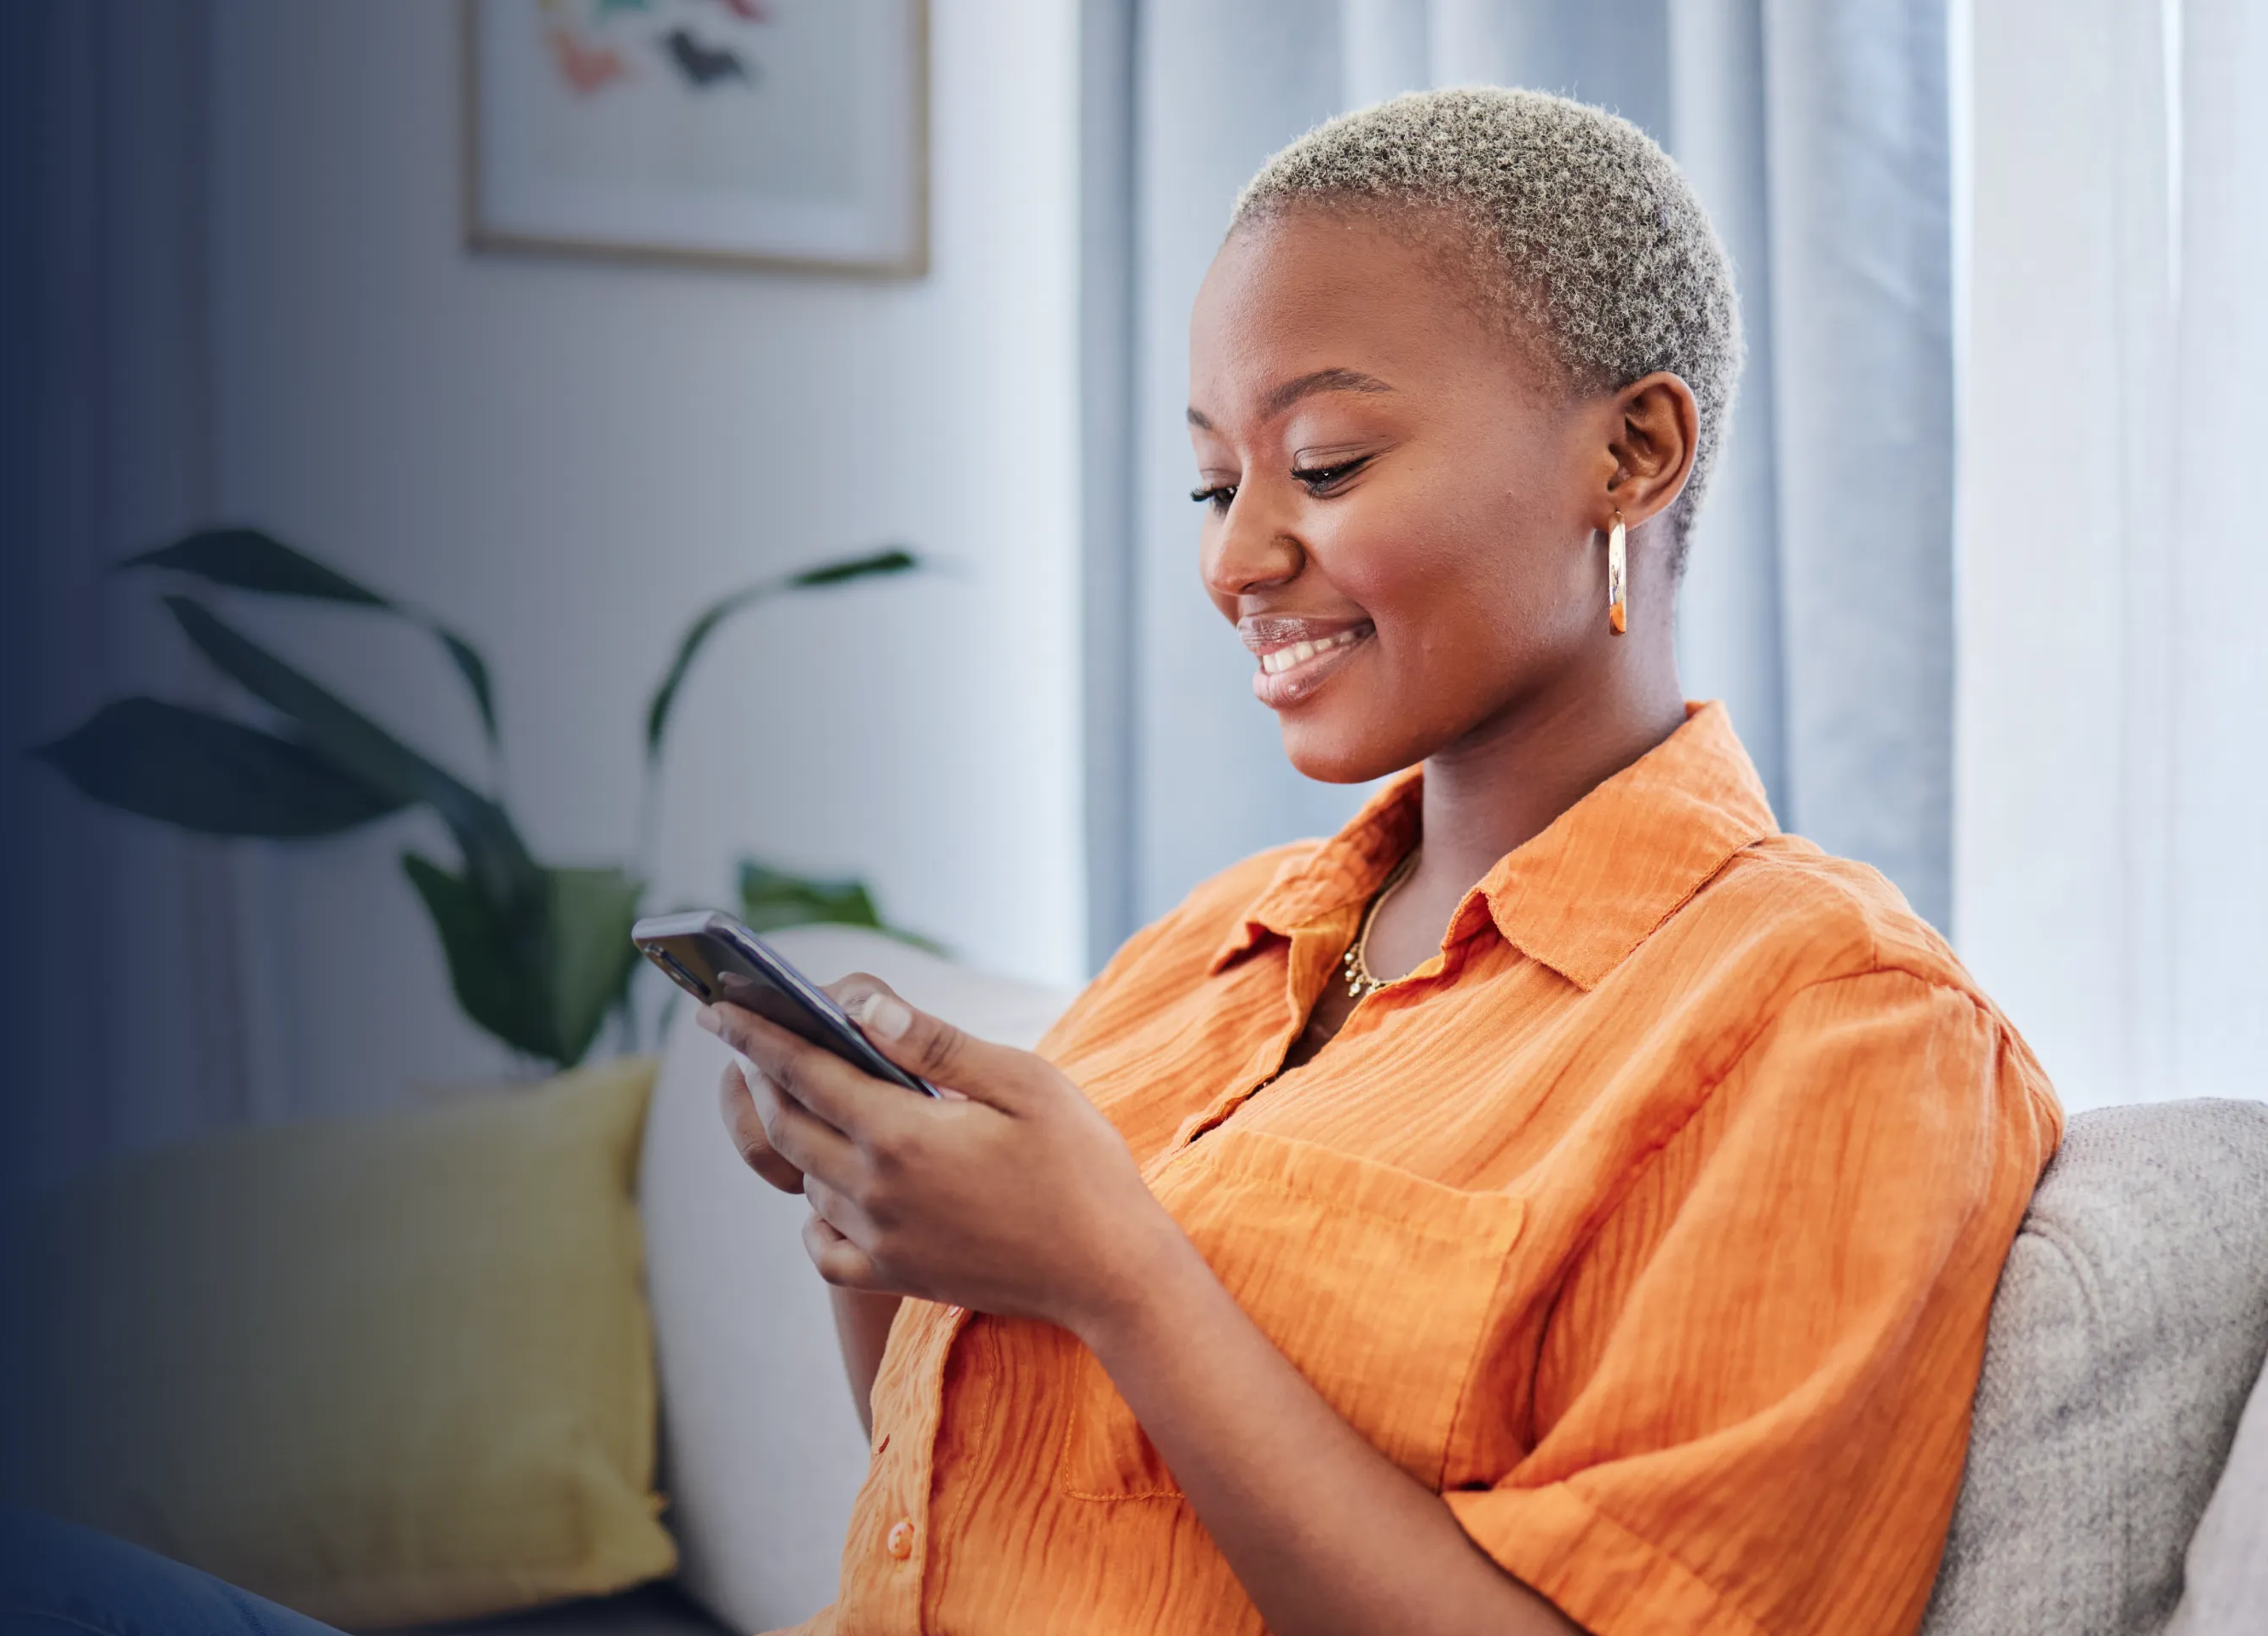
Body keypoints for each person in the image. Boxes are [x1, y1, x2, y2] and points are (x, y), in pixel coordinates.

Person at [700, 87, 2057, 1635]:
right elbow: (963, 1506)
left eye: (1326, 465)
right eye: (1217, 484)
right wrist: (877, 1213)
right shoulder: (1215, 942)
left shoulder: (1845, 1030)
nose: (1233, 560)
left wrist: (1120, 1277)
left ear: (1632, 452)